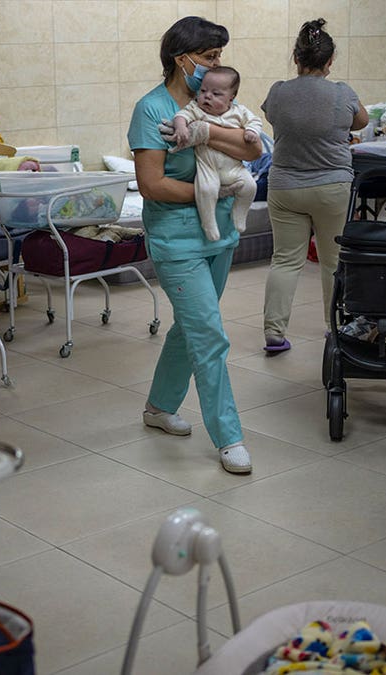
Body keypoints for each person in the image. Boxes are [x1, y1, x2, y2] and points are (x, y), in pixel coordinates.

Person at [128, 16, 262, 475]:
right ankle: (229, 437)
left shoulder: (219, 101)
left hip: (220, 235)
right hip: (176, 239)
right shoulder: (152, 109)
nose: (215, 66)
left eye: (218, 57)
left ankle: (159, 407)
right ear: (181, 58)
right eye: (208, 57)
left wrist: (207, 132)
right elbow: (151, 184)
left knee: (189, 329)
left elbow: (252, 149)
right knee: (209, 335)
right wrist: (216, 192)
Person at [260, 18, 367, 353]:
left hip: (285, 187)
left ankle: (274, 333)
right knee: (333, 259)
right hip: (331, 187)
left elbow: (274, 118)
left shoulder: (278, 92)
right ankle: (334, 329)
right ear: (330, 61)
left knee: (284, 260)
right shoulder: (342, 93)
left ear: (296, 58)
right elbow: (362, 121)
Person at [170, 65, 262, 242]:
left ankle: (240, 213)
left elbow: (255, 121)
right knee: (206, 190)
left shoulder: (239, 111)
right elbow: (182, 115)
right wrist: (181, 126)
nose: (207, 96)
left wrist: (251, 130)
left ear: (231, 97)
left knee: (250, 186)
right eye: (203, 90)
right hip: (208, 167)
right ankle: (209, 223)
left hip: (234, 167)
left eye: (216, 94)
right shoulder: (197, 109)